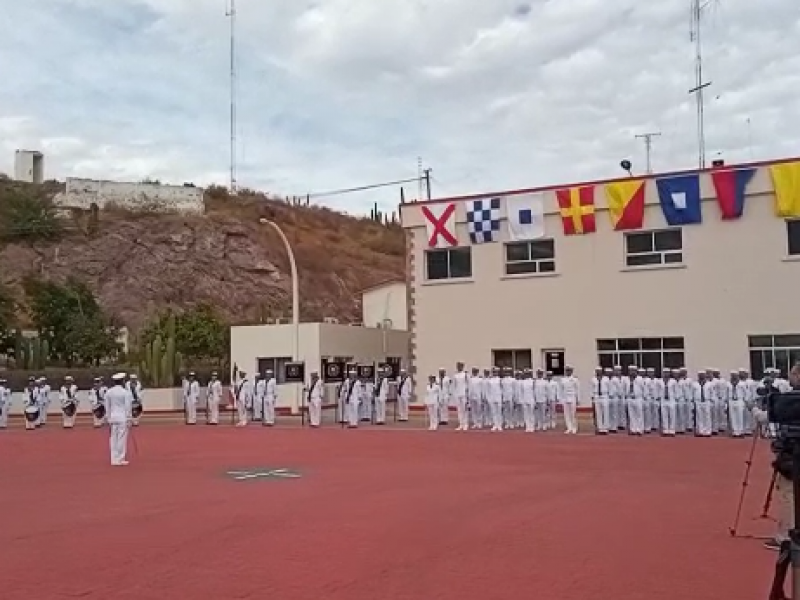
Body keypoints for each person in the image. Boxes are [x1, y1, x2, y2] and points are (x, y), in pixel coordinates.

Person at [763, 363, 800, 551]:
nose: (790, 377)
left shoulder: (788, 400)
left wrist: (754, 409)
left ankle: (786, 536)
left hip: (792, 453)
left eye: (793, 374)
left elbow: (769, 416)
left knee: (788, 494)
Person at [106, 373, 133, 466]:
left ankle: (113, 459)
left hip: (113, 417)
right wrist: (129, 418)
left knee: (113, 438)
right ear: (122, 381)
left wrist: (108, 417)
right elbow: (127, 406)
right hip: (122, 417)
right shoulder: (125, 392)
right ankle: (120, 458)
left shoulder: (109, 392)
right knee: (121, 438)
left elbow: (107, 406)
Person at [560, 365, 580, 434]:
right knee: (566, 414)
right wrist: (561, 400)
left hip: (572, 397)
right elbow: (561, 390)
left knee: (573, 414)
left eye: (569, 370)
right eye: (567, 370)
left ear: (572, 371)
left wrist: (578, 399)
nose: (568, 372)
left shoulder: (575, 379)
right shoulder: (563, 380)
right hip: (565, 398)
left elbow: (578, 390)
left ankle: (574, 427)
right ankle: (569, 427)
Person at [591, 367, 610, 435]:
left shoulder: (606, 379)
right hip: (597, 396)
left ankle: (605, 428)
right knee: (598, 413)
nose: (598, 372)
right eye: (597, 371)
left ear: (602, 371)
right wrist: (592, 398)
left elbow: (609, 387)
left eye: (599, 371)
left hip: (604, 395)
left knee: (605, 412)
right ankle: (600, 428)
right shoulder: (593, 379)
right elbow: (592, 388)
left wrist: (609, 395)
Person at [452, 362, 469, 431]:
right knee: (459, 410)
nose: (459, 367)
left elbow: (468, 384)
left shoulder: (465, 375)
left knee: (464, 410)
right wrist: (454, 394)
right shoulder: (455, 375)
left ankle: (465, 424)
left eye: (460, 366)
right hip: (458, 394)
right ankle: (461, 424)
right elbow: (454, 385)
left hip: (464, 394)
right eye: (458, 366)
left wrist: (468, 394)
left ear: (463, 367)